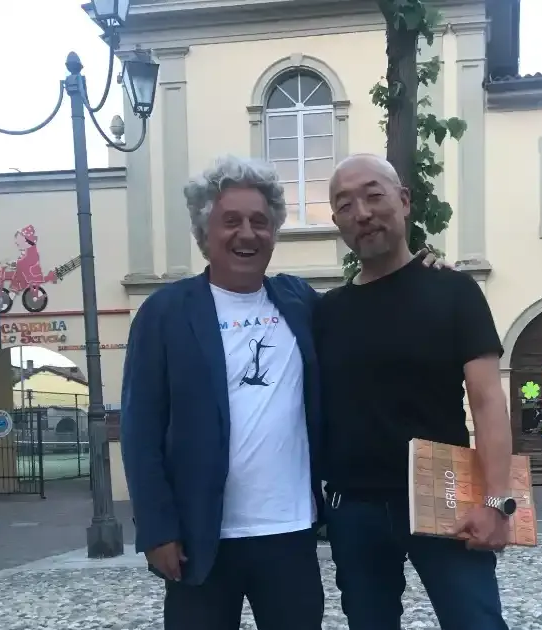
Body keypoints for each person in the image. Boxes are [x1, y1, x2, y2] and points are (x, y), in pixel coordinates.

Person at [121, 154, 447, 630]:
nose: (247, 234)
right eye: (231, 221)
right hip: (200, 535)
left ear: (274, 231)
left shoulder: (300, 302)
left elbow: (370, 307)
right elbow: (140, 430)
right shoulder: (165, 313)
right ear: (204, 231)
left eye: (260, 221)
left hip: (289, 533)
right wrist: (156, 528)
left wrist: (421, 272)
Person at [315, 153, 513, 630]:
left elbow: (488, 402)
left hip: (446, 494)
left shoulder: (455, 292)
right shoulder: (325, 313)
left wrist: (496, 502)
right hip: (355, 507)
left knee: (477, 623)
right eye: (345, 205)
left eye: (374, 196)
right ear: (337, 222)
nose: (362, 213)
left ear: (404, 201)